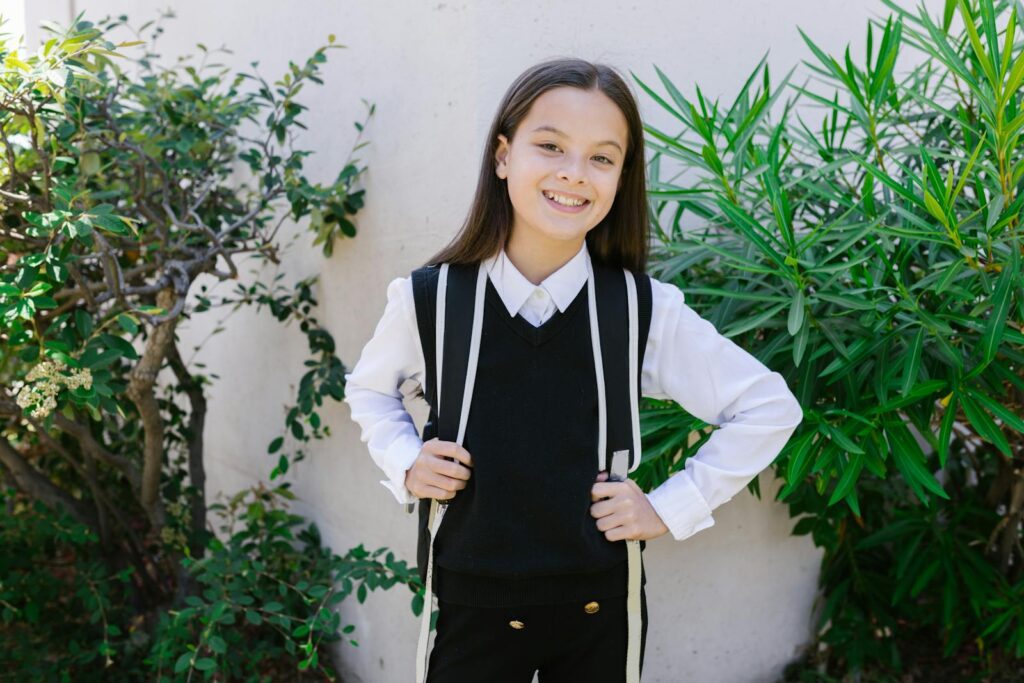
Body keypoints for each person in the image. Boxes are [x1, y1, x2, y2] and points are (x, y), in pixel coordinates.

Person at [343, 57, 804, 683]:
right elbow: (370, 391)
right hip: (469, 600)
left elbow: (768, 407)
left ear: (620, 177)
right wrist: (406, 462)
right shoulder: (432, 300)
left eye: (602, 157)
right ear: (503, 156)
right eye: (551, 146)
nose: (573, 174)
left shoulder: (640, 310)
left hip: (598, 606)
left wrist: (672, 507)